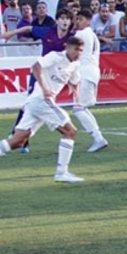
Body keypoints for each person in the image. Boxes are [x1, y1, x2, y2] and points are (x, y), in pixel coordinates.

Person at [0, 37, 87, 182]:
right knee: (70, 131)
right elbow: (36, 66)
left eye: (81, 50)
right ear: (68, 48)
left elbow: (75, 82)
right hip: (41, 100)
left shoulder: (75, 65)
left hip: (37, 104)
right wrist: (45, 88)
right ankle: (61, 173)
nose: (78, 53)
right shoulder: (55, 56)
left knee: (18, 141)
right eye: (76, 49)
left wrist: (77, 98)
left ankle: (61, 173)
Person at [68, 10, 108, 152]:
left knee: (78, 109)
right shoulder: (93, 35)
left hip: (84, 73)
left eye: (80, 19)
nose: (77, 22)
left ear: (88, 20)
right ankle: (98, 138)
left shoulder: (81, 34)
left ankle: (98, 139)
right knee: (81, 108)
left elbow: (70, 51)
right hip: (92, 72)